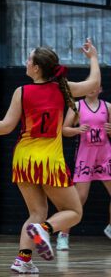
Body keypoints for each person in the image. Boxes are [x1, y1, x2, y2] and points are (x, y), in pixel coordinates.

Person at [0, 39, 100, 274]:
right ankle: (45, 230)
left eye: (29, 59)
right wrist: (93, 58)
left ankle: (23, 260)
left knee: (36, 212)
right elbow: (94, 83)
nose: (26, 62)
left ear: (37, 68)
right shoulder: (63, 88)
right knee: (74, 212)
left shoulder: (22, 91)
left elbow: (6, 127)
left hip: (23, 159)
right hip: (48, 160)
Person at [56, 86, 111, 250]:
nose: (91, 89)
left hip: (104, 153)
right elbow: (64, 130)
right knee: (79, 198)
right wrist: (76, 129)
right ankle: (63, 235)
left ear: (101, 89)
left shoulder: (108, 106)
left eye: (95, 86)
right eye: (89, 86)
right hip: (85, 154)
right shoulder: (76, 106)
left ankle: (110, 227)